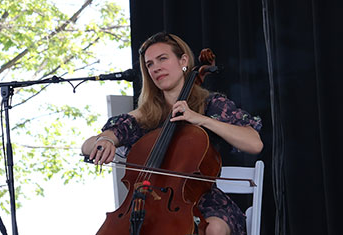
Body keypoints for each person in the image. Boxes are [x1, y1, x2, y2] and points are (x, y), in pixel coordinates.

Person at [81, 32, 263, 235]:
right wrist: (106, 139)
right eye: (149, 64)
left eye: (162, 59)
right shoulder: (144, 116)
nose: (156, 67)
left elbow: (254, 144)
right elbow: (89, 145)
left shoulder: (211, 105)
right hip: (145, 207)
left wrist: (201, 119)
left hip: (202, 203)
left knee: (214, 229)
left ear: (183, 61)